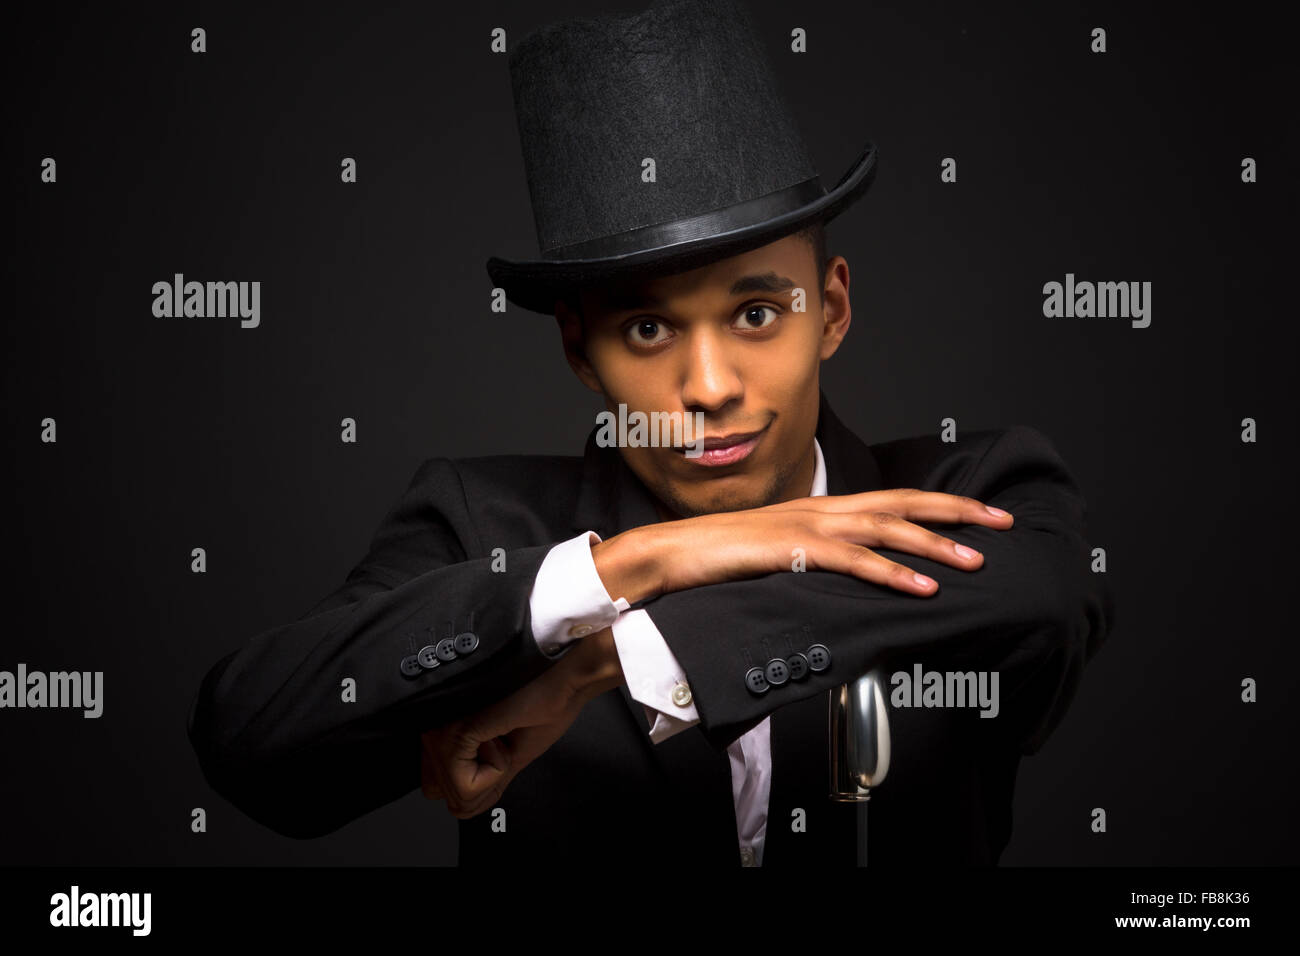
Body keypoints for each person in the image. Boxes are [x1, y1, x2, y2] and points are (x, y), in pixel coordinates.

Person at [187, 0, 1115, 867]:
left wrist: (615, 654)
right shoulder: (481, 529)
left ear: (829, 310)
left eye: (757, 313)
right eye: (647, 329)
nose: (708, 388)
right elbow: (252, 741)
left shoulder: (974, 483)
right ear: (580, 349)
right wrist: (630, 570)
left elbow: (1044, 600)